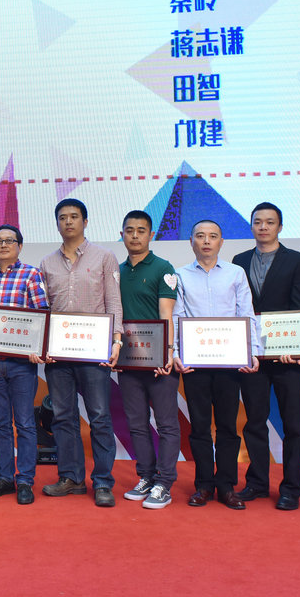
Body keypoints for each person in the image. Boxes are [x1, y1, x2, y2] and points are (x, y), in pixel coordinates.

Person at [39, 199, 123, 508]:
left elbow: (113, 301)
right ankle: (71, 478)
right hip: (59, 355)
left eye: (74, 217)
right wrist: (43, 345)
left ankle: (102, 482)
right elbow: (44, 308)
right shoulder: (47, 263)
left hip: (94, 352)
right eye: (63, 217)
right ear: (57, 223)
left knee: (99, 417)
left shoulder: (105, 257)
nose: (68, 222)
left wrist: (116, 341)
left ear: (85, 222)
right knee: (63, 417)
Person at [231, 203, 300, 510]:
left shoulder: (297, 260)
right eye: (258, 222)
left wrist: (296, 346)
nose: (263, 227)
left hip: (287, 356)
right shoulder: (239, 261)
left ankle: (291, 488)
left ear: (280, 226)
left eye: (269, 222)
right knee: (254, 421)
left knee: (293, 424)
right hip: (253, 355)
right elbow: (238, 309)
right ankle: (257, 483)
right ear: (251, 226)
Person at [174, 219, 261, 510]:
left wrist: (252, 352)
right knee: (199, 427)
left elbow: (246, 313)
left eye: (212, 236)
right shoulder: (180, 275)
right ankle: (203, 485)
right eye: (200, 236)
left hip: (229, 363)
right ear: (191, 241)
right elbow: (177, 316)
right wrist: (177, 353)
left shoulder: (236, 273)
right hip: (195, 364)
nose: (206, 241)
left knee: (227, 426)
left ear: (221, 242)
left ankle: (226, 485)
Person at [0, 224, 49, 506]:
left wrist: (37, 348)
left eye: (9, 240)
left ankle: (25, 480)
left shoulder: (31, 274)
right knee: (1, 424)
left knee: (26, 424)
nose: (4, 245)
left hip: (21, 364)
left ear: (20, 245)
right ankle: (5, 478)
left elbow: (43, 314)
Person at [115, 211, 180, 510]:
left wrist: (167, 352)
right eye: (130, 230)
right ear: (122, 235)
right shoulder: (116, 272)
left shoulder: (163, 268)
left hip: (158, 361)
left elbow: (166, 314)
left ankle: (164, 483)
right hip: (128, 361)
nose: (135, 236)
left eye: (141, 230)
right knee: (137, 423)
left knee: (166, 424)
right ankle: (146, 476)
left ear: (151, 235)